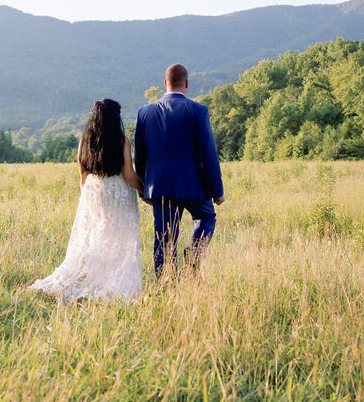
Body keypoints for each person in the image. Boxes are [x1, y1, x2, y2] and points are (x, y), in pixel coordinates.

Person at [29, 99, 145, 301]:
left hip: (93, 191)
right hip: (116, 192)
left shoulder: (85, 139)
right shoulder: (121, 140)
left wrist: (88, 195)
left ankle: (89, 277)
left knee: (95, 236)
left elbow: (82, 172)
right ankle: (110, 280)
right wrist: (146, 191)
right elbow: (129, 174)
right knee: (117, 237)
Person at [135, 63, 225, 277]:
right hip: (194, 186)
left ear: (165, 83)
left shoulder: (144, 113)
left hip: (160, 187)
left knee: (165, 239)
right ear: (186, 84)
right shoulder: (198, 111)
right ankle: (193, 254)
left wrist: (144, 190)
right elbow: (208, 153)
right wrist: (217, 191)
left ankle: (166, 286)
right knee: (207, 218)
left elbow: (140, 155)